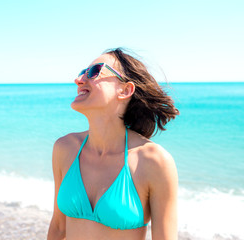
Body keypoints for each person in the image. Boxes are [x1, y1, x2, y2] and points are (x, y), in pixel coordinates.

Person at [47, 48, 179, 240]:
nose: (79, 79)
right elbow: (59, 227)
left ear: (125, 90)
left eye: (94, 72)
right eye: (83, 72)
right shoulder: (65, 148)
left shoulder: (154, 161)